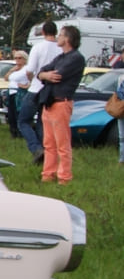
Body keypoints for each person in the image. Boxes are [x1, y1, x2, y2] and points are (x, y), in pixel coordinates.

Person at [36, 25, 85, 184]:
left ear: (68, 39)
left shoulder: (76, 58)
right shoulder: (60, 57)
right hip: (49, 103)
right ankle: (48, 174)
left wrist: (46, 75)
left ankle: (64, 177)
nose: (58, 37)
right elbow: (42, 71)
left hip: (61, 103)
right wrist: (44, 75)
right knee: (48, 143)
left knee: (62, 143)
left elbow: (58, 75)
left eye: (61, 35)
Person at [16, 21, 60, 164]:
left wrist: (30, 80)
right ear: (56, 32)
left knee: (23, 121)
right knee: (43, 122)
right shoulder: (60, 49)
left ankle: (36, 148)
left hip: (36, 88)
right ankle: (45, 152)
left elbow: (30, 69)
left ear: (42, 32)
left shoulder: (38, 47)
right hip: (51, 91)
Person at [2, 50, 29, 138]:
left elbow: (32, 79)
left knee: (19, 113)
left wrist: (26, 86)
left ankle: (21, 132)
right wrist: (11, 70)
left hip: (20, 93)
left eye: (19, 58)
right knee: (11, 114)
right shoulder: (15, 68)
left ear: (25, 59)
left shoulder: (27, 69)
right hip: (11, 92)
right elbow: (6, 78)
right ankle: (13, 132)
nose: (17, 60)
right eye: (16, 58)